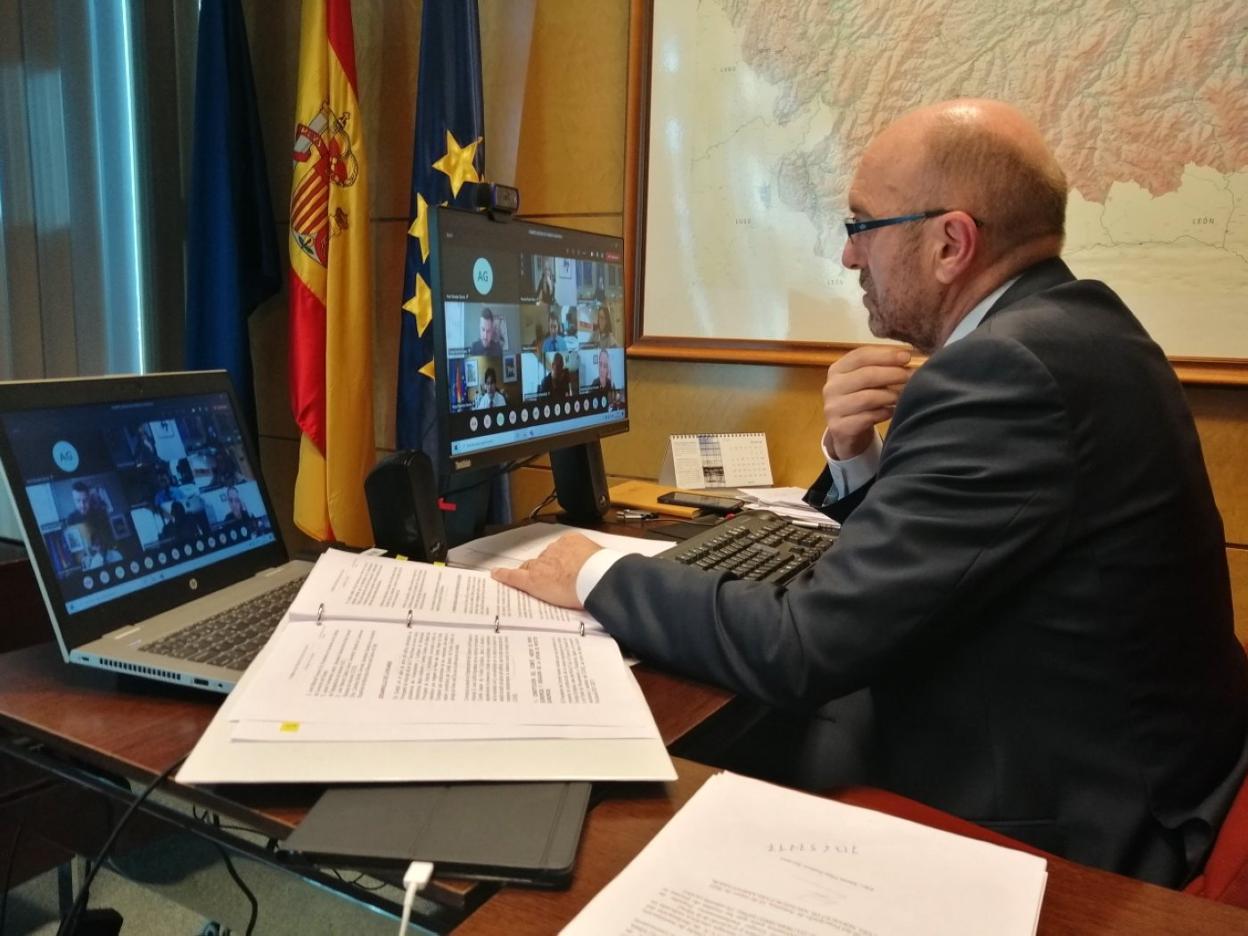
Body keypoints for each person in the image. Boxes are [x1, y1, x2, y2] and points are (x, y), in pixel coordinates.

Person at [492, 98, 1248, 888]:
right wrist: (857, 460)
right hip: (1120, 758)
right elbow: (963, 548)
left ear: (951, 243)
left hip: (1072, 817)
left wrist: (593, 573)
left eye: (861, 226)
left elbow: (804, 647)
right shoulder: (1083, 327)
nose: (850, 258)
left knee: (659, 777)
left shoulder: (1004, 372)